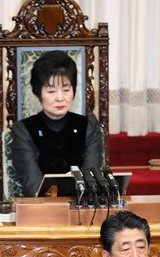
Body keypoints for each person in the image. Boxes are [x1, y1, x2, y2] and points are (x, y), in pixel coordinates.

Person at [11, 50, 103, 196]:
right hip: (42, 209)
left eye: (66, 89)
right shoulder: (24, 130)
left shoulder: (88, 126)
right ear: (37, 92)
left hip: (82, 206)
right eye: (51, 91)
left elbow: (91, 177)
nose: (60, 98)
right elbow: (32, 185)